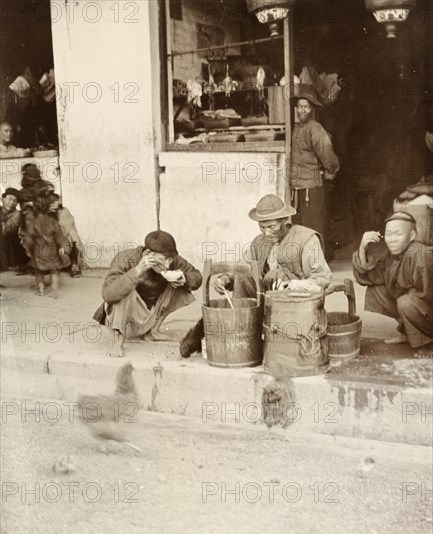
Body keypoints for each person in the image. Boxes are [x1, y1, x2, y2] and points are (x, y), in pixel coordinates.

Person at [180, 193, 332, 358]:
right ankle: (240, 334)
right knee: (242, 277)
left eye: (271, 226)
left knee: (274, 279)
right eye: (262, 226)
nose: (266, 233)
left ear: (284, 220)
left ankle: (248, 337)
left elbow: (321, 277)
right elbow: (244, 267)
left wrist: (293, 285)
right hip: (265, 296)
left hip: (294, 300)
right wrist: (227, 278)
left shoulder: (306, 238)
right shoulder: (259, 242)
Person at [93, 230, 202, 357]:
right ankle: (118, 339)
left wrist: (185, 278)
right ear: (149, 254)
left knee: (181, 282)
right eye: (164, 259)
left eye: (170, 259)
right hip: (124, 320)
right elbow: (108, 294)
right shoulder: (125, 258)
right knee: (125, 289)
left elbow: (197, 276)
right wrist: (137, 271)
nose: (167, 265)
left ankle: (153, 332)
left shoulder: (172, 260)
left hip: (149, 316)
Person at [353, 212, 433, 358]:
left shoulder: (421, 255)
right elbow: (369, 277)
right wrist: (363, 247)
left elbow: (427, 297)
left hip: (429, 308)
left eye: (398, 234)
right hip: (418, 305)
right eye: (389, 234)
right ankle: (407, 333)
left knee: (406, 302)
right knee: (376, 289)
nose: (392, 240)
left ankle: (428, 343)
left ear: (411, 235)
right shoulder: (392, 254)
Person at [290, 84, 340, 256]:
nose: (302, 110)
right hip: (298, 187)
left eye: (306, 107)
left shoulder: (315, 128)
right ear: (296, 108)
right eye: (300, 106)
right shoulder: (296, 129)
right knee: (300, 228)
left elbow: (327, 152)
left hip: (312, 186)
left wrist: (331, 170)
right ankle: (306, 264)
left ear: (311, 109)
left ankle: (318, 265)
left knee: (314, 228)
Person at [26, 194, 67, 298]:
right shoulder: (52, 221)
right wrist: (62, 246)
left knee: (39, 272)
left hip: (39, 250)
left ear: (34, 208)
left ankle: (41, 291)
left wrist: (28, 249)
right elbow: (59, 235)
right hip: (51, 249)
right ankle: (55, 291)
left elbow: (29, 238)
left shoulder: (33, 222)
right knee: (54, 270)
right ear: (48, 207)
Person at [48, 194, 84, 276]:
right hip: (53, 242)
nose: (52, 204)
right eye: (50, 203)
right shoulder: (46, 215)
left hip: (66, 241)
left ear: (59, 201)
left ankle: (75, 264)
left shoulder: (64, 212)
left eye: (54, 202)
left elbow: (67, 229)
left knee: (73, 235)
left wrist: (62, 242)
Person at [0, 187, 28, 272]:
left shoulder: (17, 215)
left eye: (15, 201)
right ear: (3, 199)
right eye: (10, 199)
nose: (11, 203)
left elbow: (4, 231)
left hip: (9, 244)